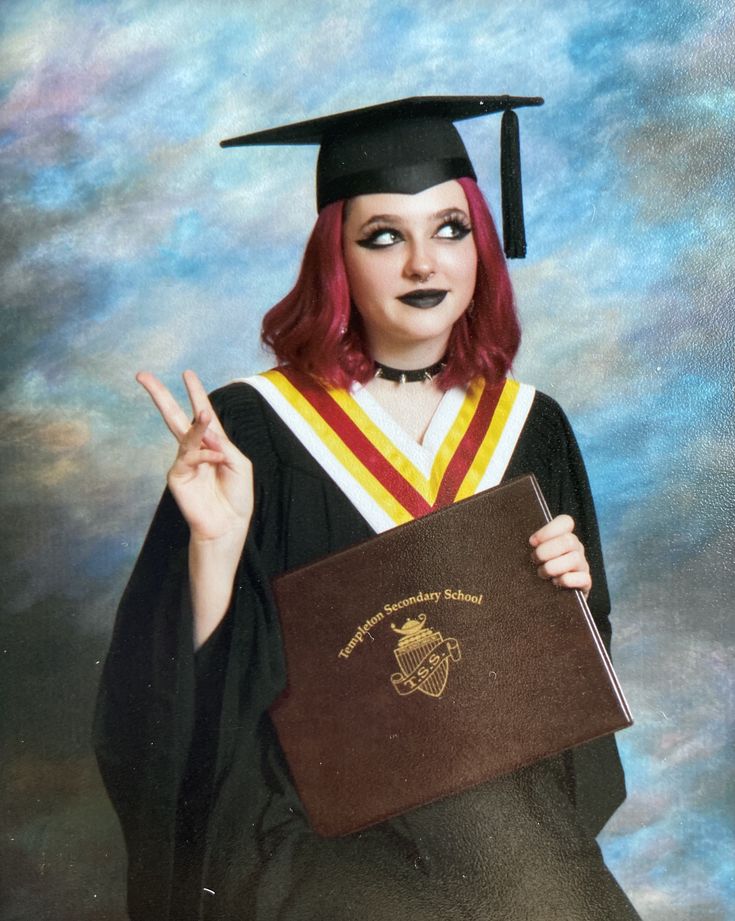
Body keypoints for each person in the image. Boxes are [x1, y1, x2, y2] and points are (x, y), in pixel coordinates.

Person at [94, 97, 640, 921]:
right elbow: (173, 697)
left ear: (481, 248)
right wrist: (213, 543)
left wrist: (569, 599)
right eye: (384, 236)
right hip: (326, 832)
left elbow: (568, 701)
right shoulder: (253, 429)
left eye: (449, 229)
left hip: (502, 820)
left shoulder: (532, 426)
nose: (424, 262)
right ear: (336, 259)